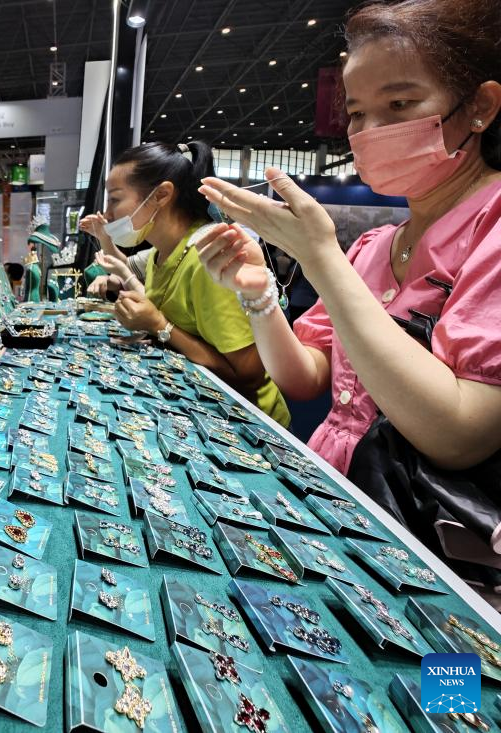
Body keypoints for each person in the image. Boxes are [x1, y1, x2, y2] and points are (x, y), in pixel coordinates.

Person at [194, 0, 501, 481]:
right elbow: (306, 376)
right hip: (336, 487)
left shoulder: (491, 227)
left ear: (480, 106)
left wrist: (320, 257)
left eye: (400, 104)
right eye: (357, 112)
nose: (370, 131)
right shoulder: (373, 246)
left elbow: (458, 435)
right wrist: (259, 294)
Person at [83, 141, 290, 427]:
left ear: (161, 195)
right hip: (198, 409)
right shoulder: (160, 254)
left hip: (248, 425)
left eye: (115, 199)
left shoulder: (209, 260)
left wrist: (159, 325)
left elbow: (248, 376)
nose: (107, 214)